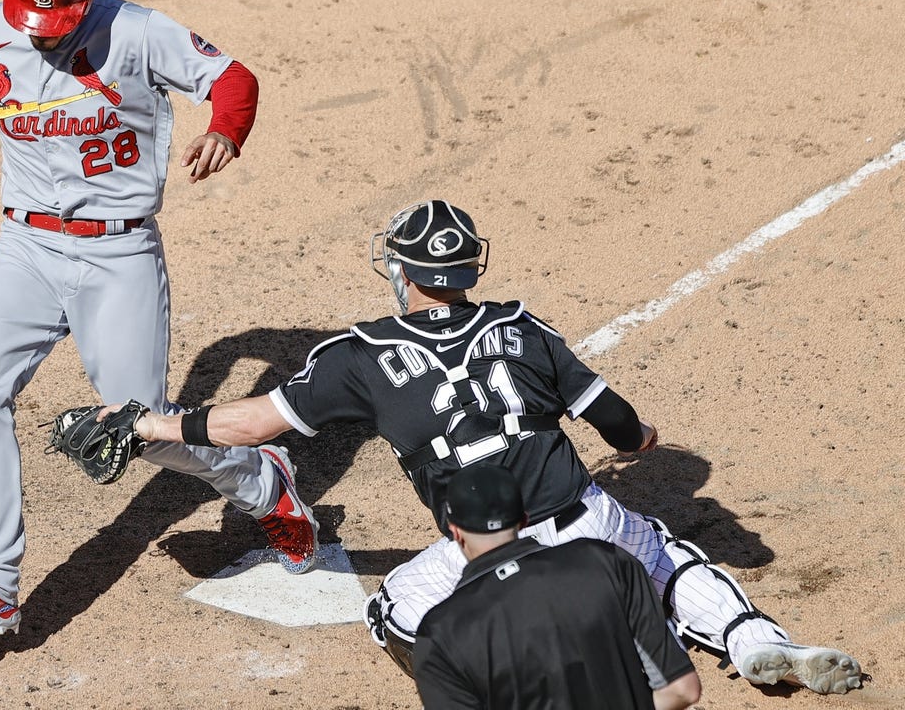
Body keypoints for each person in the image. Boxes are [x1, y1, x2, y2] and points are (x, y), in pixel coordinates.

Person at [106, 199, 863, 695]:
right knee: (661, 558)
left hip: (483, 550)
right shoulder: (525, 330)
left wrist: (151, 425)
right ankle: (756, 639)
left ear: (404, 274)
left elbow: (252, 425)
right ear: (470, 269)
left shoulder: (361, 356)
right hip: (586, 522)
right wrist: (642, 440)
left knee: (396, 615)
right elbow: (621, 424)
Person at [0, 0, 318, 636]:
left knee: (147, 434)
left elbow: (234, 79)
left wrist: (228, 126)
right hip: (27, 248)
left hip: (119, 256)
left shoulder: (135, 31)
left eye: (54, 22)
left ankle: (264, 483)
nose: (39, 36)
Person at [412, 462, 701, 710]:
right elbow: (681, 690)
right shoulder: (604, 562)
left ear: (455, 532)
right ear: (524, 519)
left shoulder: (439, 633)